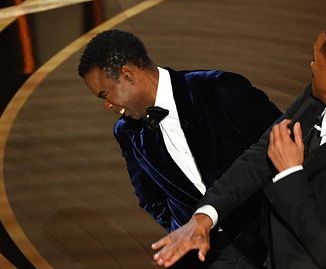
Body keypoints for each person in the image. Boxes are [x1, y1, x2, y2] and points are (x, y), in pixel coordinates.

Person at [151, 24, 326, 269]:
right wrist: (205, 217)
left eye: (315, 58)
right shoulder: (317, 97)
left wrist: (290, 173)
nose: (310, 65)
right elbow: (260, 155)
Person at [77, 30, 282, 268]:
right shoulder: (126, 132)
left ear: (128, 74)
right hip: (206, 258)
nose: (107, 105)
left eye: (106, 94)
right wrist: (185, 227)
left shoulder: (217, 89)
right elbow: (150, 198)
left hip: (268, 241)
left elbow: (283, 143)